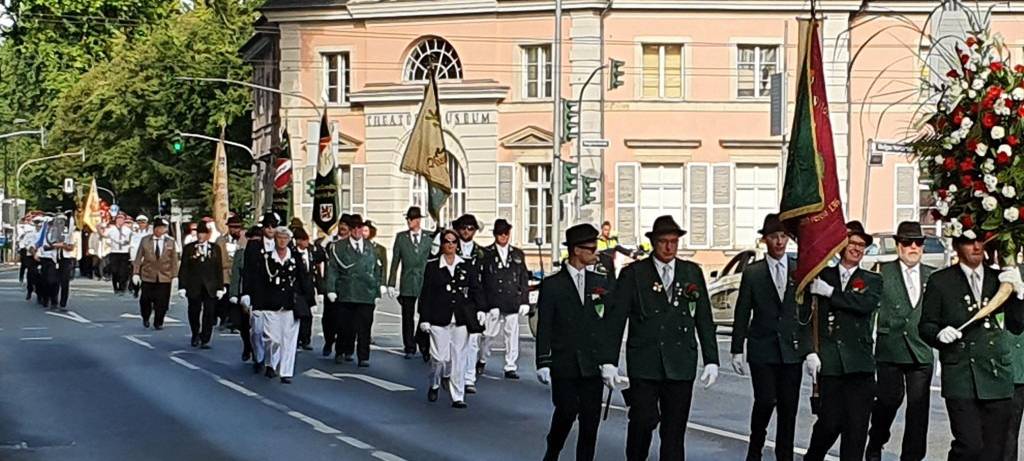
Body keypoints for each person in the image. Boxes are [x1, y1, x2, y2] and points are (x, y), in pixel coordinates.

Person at [609, 215, 720, 461]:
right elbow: (616, 319)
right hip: (646, 362)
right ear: (654, 243)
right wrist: (609, 361)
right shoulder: (635, 274)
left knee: (674, 432)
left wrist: (712, 358)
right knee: (643, 421)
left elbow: (703, 318)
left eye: (674, 242)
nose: (669, 247)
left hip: (680, 362)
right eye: (663, 242)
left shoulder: (691, 272)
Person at [920, 230, 1024, 459]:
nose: (976, 247)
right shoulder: (941, 281)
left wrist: (1018, 294)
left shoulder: (998, 279)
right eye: (969, 242)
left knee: (995, 448)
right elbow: (925, 325)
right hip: (961, 374)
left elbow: (1017, 325)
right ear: (957, 246)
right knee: (969, 445)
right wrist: (938, 334)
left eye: (980, 242)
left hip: (995, 373)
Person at [730, 213, 810, 461]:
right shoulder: (754, 272)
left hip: (790, 350)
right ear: (765, 240)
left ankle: (784, 454)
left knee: (789, 407)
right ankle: (756, 445)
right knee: (765, 400)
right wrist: (736, 348)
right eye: (774, 237)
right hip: (762, 348)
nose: (779, 242)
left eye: (783, 236)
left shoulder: (798, 270)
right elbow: (743, 310)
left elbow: (807, 313)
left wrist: (810, 349)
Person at [536, 223, 618, 461]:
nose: (595, 253)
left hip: (592, 363)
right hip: (565, 362)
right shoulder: (553, 284)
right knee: (566, 411)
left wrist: (608, 360)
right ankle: (553, 449)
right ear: (576, 250)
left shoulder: (600, 282)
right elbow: (545, 325)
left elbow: (607, 325)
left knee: (591, 421)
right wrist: (543, 360)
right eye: (591, 248)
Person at [803, 221, 882, 461]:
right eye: (852, 243)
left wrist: (831, 294)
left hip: (859, 365)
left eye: (861, 245)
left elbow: (864, 305)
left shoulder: (872, 279)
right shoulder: (821, 275)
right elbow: (806, 317)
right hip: (831, 363)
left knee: (856, 431)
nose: (857, 248)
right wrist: (809, 351)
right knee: (829, 424)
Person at [864, 221, 935, 461]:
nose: (913, 247)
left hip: (920, 350)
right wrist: (867, 341)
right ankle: (876, 439)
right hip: (890, 349)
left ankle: (913, 458)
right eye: (907, 242)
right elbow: (869, 309)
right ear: (898, 245)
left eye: (918, 242)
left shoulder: (932, 276)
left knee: (918, 410)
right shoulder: (882, 272)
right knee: (888, 400)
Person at [418, 229, 484, 409]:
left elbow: (475, 289)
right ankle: (434, 382)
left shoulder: (465, 265)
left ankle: (458, 395)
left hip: (460, 318)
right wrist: (424, 318)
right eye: (447, 241)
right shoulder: (433, 266)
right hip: (438, 317)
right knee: (439, 358)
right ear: (442, 245)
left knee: (459, 357)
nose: (450, 245)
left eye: (454, 242)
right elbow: (426, 294)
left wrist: (481, 309)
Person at [251, 226, 313, 383]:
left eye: (285, 238)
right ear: (275, 239)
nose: (282, 240)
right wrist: (255, 303)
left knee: (289, 341)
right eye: (279, 237)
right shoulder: (266, 258)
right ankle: (270, 362)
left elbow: (304, 279)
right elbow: (258, 282)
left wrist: (309, 300)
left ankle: (286, 372)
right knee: (273, 339)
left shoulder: (295, 258)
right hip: (270, 304)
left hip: (290, 305)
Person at [326, 214, 382, 367]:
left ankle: (363, 356)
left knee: (364, 327)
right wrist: (330, 289)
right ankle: (341, 351)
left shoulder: (371, 247)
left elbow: (377, 270)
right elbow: (332, 269)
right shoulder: (339, 246)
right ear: (350, 230)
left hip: (366, 292)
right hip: (347, 292)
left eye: (359, 228)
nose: (357, 231)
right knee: (344, 326)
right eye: (354, 228)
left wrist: (378, 290)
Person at [478, 218, 531, 379]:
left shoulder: (517, 254)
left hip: (511, 299)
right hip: (493, 300)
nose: (503, 236)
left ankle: (510, 366)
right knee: (488, 334)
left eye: (506, 233)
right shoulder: (486, 254)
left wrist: (524, 300)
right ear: (495, 235)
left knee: (512, 334)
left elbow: (523, 277)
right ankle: (482, 359)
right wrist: (484, 304)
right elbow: (482, 280)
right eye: (500, 234)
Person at [388, 206, 435, 360]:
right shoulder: (401, 237)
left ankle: (423, 342)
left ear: (418, 220)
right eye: (408, 218)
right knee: (407, 316)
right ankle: (409, 346)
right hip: (407, 281)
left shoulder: (429, 237)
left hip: (425, 281)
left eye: (412, 219)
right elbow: (395, 261)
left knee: (426, 315)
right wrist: (391, 283)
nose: (409, 221)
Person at [453, 214, 487, 393]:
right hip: (455, 301)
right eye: (464, 228)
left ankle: (469, 377)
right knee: (456, 343)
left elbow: (485, 282)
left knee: (474, 341)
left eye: (471, 228)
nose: (467, 231)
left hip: (473, 302)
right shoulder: (451, 247)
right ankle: (454, 375)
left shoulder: (481, 253)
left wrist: (484, 307)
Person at [242, 212, 280, 372]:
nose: (270, 229)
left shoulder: (283, 245)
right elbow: (248, 271)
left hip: (276, 295)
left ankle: (272, 363)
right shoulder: (254, 246)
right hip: (258, 294)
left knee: (274, 336)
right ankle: (259, 357)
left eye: (273, 226)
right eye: (268, 226)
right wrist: (246, 293)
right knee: (257, 331)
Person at [177, 224, 224, 349]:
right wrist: (182, 286)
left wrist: (220, 287)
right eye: (199, 233)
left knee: (209, 312)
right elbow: (184, 268)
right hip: (194, 285)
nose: (200, 235)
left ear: (208, 235)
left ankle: (205, 338)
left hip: (210, 286)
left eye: (203, 233)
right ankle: (195, 334)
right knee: (194, 311)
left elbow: (218, 268)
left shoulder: (215, 248)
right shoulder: (189, 248)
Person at [132, 218, 179, 329]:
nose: (160, 230)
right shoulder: (145, 240)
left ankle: (159, 322)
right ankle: (146, 317)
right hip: (148, 275)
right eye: (158, 228)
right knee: (145, 300)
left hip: (164, 276)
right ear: (154, 229)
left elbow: (174, 260)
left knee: (162, 302)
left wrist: (175, 275)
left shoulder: (170, 242)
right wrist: (136, 273)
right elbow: (138, 257)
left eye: (162, 228)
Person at [318, 214, 351, 358]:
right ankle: (329, 341)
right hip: (331, 285)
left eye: (346, 226)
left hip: (347, 287)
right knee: (329, 318)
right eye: (341, 225)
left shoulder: (353, 244)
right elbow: (319, 253)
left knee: (345, 320)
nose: (342, 228)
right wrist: (327, 238)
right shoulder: (331, 243)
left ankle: (343, 348)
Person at [229, 226, 258, 361]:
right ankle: (247, 346)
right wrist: (233, 294)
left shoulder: (266, 253)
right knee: (244, 324)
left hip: (259, 294)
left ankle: (259, 353)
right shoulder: (241, 254)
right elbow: (236, 275)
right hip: (243, 293)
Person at [293, 227, 321, 351]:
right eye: (303, 240)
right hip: (297, 289)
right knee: (302, 315)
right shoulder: (293, 253)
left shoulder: (311, 252)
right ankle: (300, 339)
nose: (305, 243)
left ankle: (305, 339)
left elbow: (318, 265)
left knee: (308, 316)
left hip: (309, 288)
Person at [215, 216, 245, 331]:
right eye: (232, 227)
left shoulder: (244, 240)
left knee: (237, 298)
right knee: (225, 299)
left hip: (239, 274)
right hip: (225, 274)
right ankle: (224, 318)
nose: (235, 230)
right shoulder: (220, 240)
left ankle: (235, 322)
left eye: (237, 227)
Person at [53, 213, 81, 312]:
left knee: (64, 282)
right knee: (54, 281)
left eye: (62, 221)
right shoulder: (53, 232)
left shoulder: (69, 233)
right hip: (55, 258)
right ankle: (54, 301)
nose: (60, 223)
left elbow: (71, 247)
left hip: (65, 259)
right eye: (58, 221)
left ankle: (63, 303)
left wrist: (62, 245)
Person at [102, 213, 133, 295]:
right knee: (114, 271)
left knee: (123, 272)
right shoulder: (111, 229)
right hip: (114, 252)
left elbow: (132, 239)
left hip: (124, 252)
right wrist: (99, 227)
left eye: (122, 219)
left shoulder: (127, 230)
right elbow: (103, 235)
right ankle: (115, 287)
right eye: (118, 218)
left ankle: (122, 288)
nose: (120, 220)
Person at [128, 215, 152, 298]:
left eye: (143, 222)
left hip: (146, 258)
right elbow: (132, 246)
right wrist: (132, 258)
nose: (141, 224)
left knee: (145, 275)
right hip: (135, 257)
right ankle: (136, 289)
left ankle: (144, 290)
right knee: (135, 274)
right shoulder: (133, 234)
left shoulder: (150, 234)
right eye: (140, 222)